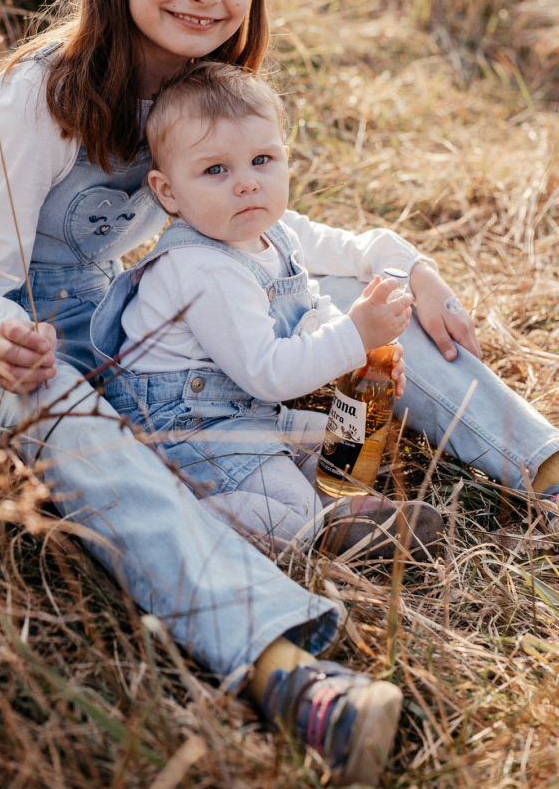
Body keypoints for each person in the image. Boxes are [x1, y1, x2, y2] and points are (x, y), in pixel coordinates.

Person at [0, 0, 559, 787]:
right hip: (12, 348)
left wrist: (395, 256)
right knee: (77, 427)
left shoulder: (192, 85)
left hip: (134, 336)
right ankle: (289, 669)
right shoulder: (36, 98)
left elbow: (266, 224)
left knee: (362, 296)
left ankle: (544, 468)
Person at [91, 62, 444, 559]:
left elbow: (306, 312)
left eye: (262, 160)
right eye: (216, 169)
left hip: (243, 414)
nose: (246, 184)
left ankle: (340, 509)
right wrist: (353, 336)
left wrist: (358, 355)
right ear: (168, 191)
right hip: (185, 428)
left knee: (346, 441)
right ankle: (184, 521)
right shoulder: (201, 268)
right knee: (290, 508)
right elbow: (268, 374)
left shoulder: (271, 234)